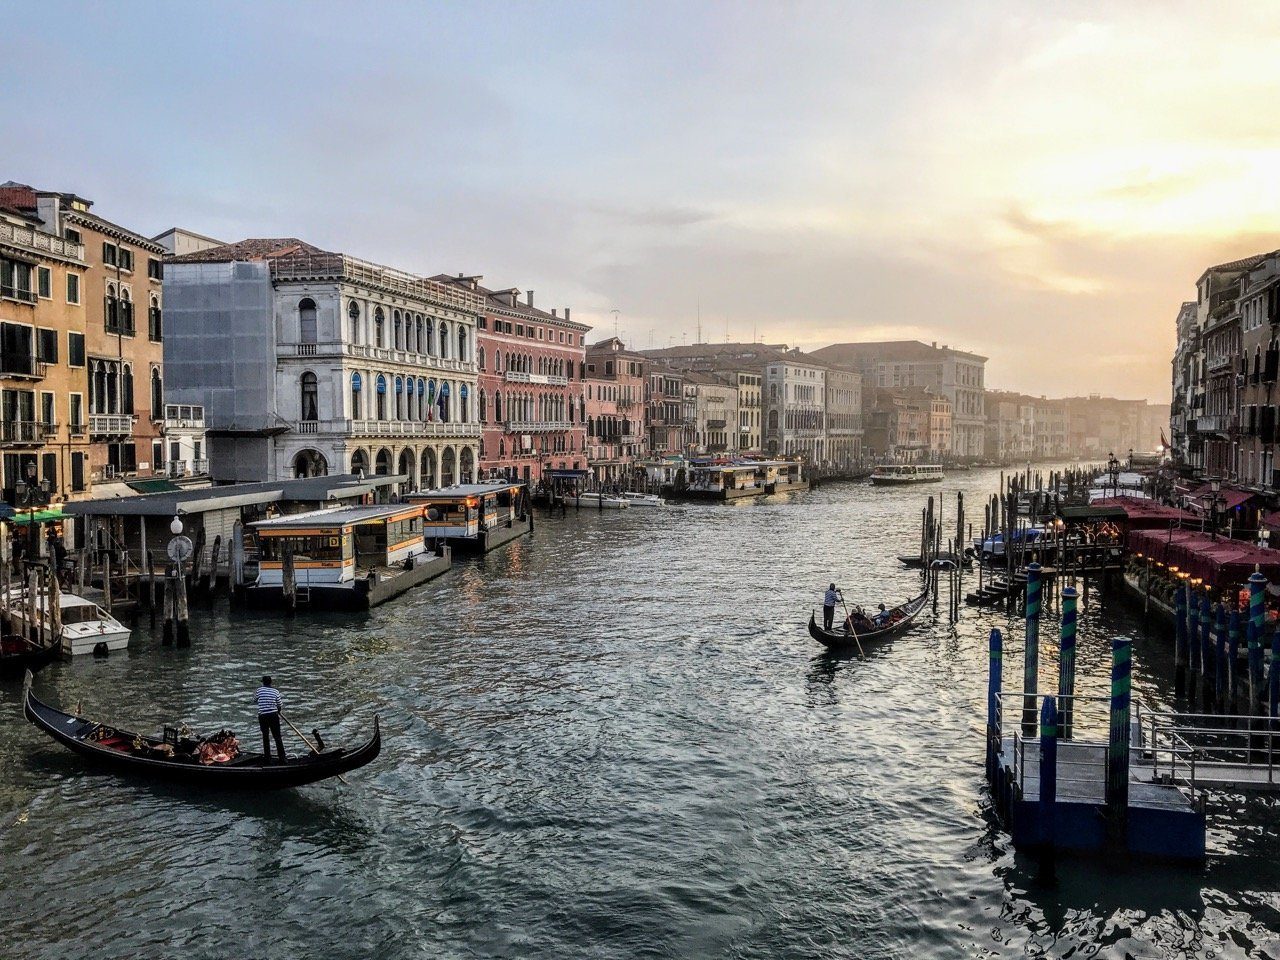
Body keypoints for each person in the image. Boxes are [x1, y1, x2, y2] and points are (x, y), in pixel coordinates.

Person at [255, 675, 287, 763]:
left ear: (263, 682)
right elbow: (279, 704)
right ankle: (283, 759)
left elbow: (255, 700)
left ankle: (267, 759)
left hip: (263, 716)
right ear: (271, 682)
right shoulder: (276, 691)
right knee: (277, 737)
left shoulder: (259, 690)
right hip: (273, 715)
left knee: (265, 737)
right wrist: (278, 711)